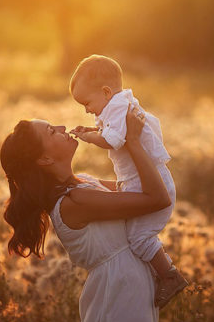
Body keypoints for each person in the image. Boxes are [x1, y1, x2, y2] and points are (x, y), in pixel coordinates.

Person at [0, 105, 170, 322]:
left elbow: (141, 188)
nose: (62, 127)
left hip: (128, 286)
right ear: (45, 160)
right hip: (119, 292)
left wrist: (115, 135)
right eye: (51, 130)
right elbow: (157, 198)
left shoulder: (83, 182)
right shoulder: (74, 202)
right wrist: (133, 141)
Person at [68, 54, 188, 308]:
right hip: (136, 183)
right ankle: (156, 275)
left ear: (106, 91)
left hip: (148, 184)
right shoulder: (115, 105)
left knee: (139, 238)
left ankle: (169, 275)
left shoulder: (120, 106)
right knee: (135, 234)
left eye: (87, 103)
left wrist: (90, 138)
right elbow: (109, 132)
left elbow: (114, 140)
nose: (87, 110)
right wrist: (91, 131)